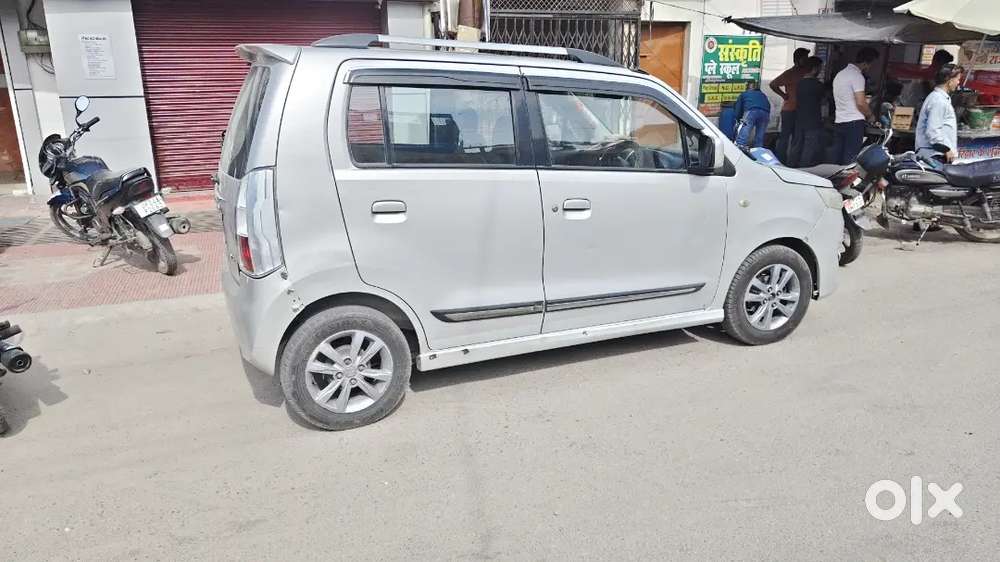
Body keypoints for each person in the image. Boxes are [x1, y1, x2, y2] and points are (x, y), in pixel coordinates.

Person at [831, 47, 880, 165]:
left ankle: (834, 182)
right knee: (850, 159)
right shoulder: (857, 76)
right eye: (870, 65)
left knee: (837, 157)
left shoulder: (840, 74)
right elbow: (861, 103)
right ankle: (847, 183)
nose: (869, 68)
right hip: (853, 123)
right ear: (865, 63)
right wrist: (871, 116)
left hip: (839, 121)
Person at [770, 47, 811, 162]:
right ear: (798, 59)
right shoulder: (790, 73)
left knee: (797, 137)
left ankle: (792, 162)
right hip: (789, 110)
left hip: (801, 110)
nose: (807, 60)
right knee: (785, 136)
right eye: (805, 58)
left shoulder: (807, 72)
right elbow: (773, 84)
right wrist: (783, 95)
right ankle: (779, 161)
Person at [915, 63, 961, 163]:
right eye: (957, 79)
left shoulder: (939, 98)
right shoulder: (938, 100)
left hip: (936, 154)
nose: (958, 82)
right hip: (934, 155)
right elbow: (932, 130)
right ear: (949, 80)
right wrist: (945, 149)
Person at [788, 56, 825, 167]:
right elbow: (824, 102)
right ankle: (804, 172)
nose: (820, 71)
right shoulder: (818, 85)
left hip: (799, 120)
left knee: (796, 147)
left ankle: (790, 169)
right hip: (813, 122)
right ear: (814, 69)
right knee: (809, 150)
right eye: (820, 68)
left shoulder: (799, 84)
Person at [733, 80, 771, 148]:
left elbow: (738, 110)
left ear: (747, 87)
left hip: (751, 111)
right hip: (765, 113)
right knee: (760, 136)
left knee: (744, 132)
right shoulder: (762, 94)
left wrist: (738, 119)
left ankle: (740, 148)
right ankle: (758, 151)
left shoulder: (744, 94)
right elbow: (768, 105)